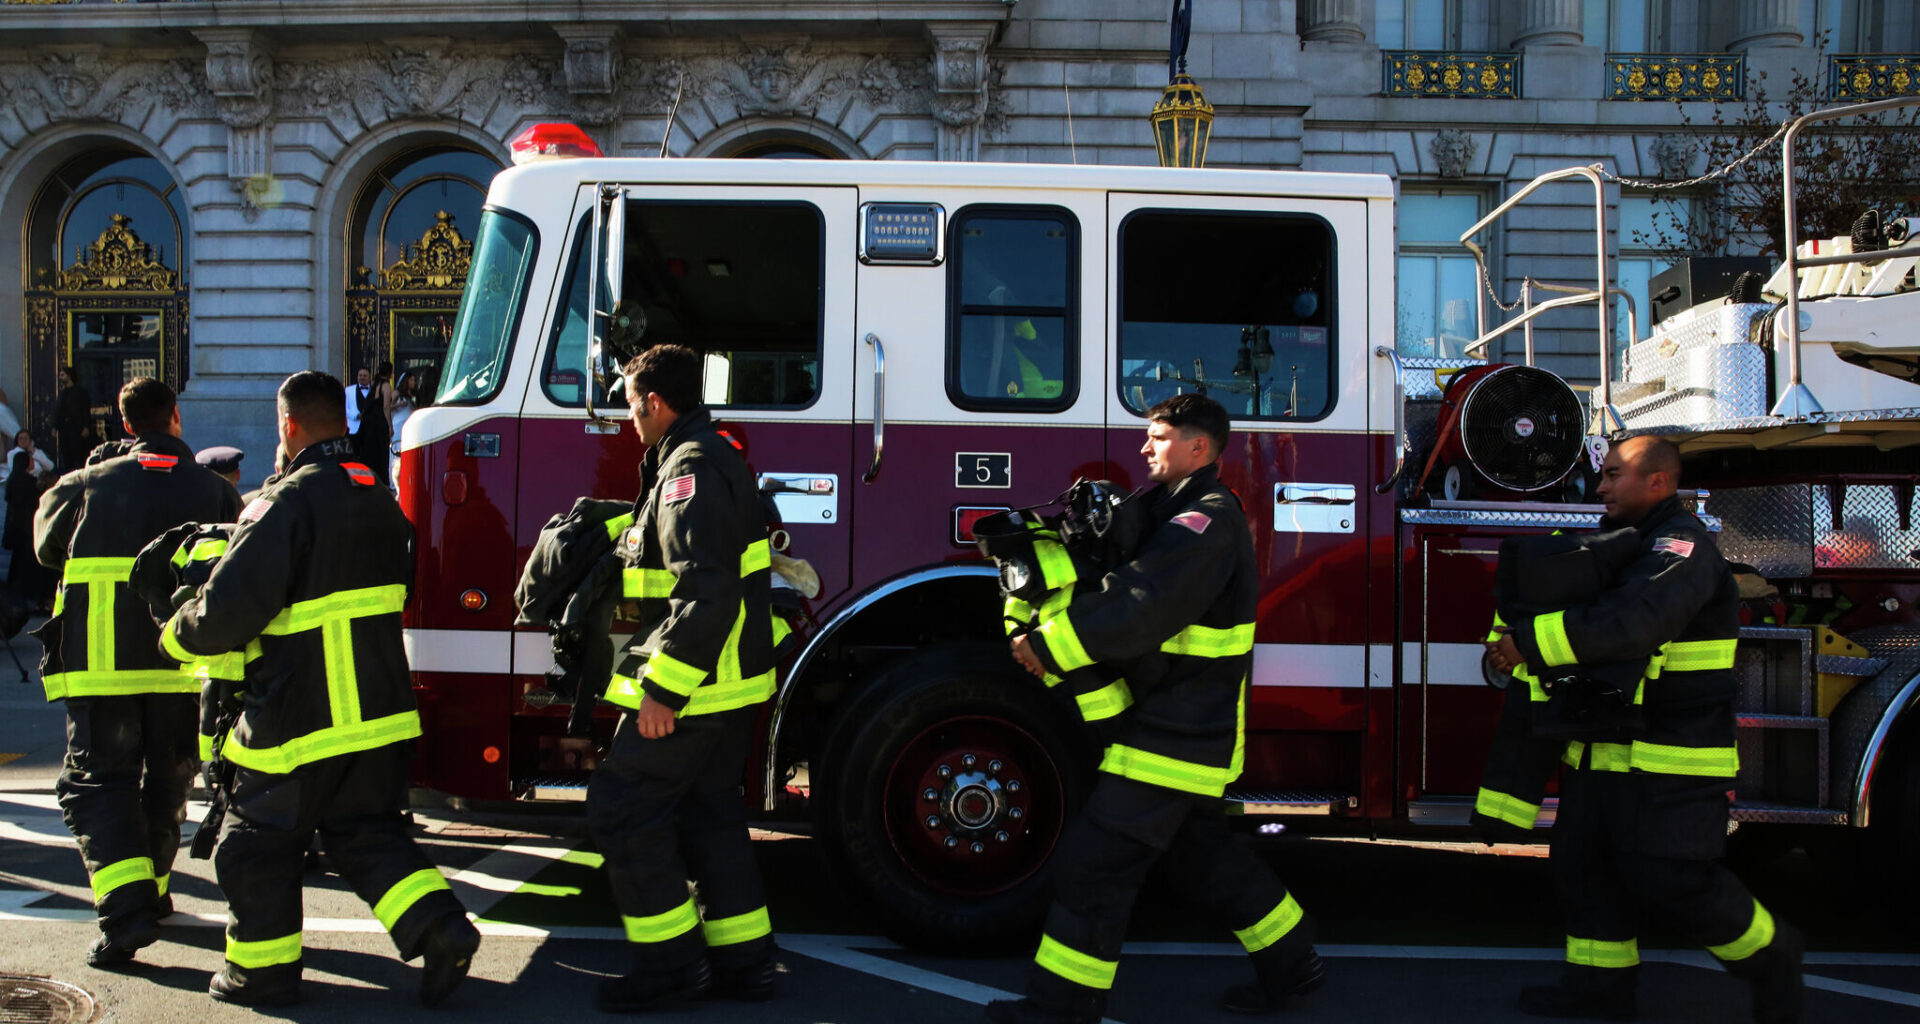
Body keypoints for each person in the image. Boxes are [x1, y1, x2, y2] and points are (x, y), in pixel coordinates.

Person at [990, 394, 1323, 1024]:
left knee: (1096, 866)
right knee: (1203, 857)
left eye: (1159, 437)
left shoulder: (1207, 521)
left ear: (1199, 447)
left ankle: (1060, 1007)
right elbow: (1117, 560)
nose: (1145, 447)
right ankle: (1294, 965)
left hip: (1174, 730)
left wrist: (1048, 645)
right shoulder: (1169, 510)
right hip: (1181, 724)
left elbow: (1139, 603)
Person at [158, 370, 480, 1007]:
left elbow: (229, 609)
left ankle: (261, 975)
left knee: (255, 847)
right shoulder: (378, 498)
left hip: (301, 717)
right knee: (367, 835)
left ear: (287, 426)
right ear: (345, 420)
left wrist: (174, 635)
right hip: (381, 715)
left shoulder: (286, 502)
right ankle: (442, 929)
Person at [1486, 436, 1802, 1023]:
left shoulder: (1682, 550)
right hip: (1603, 753)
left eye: (1612, 475)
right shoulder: (1632, 547)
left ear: (1657, 482)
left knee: (1676, 881)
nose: (1600, 487)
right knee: (1585, 873)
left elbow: (1633, 623)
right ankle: (1597, 990)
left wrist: (1525, 646)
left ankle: (1773, 956)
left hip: (1669, 761)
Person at [586, 343, 780, 1012]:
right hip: (729, 685)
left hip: (696, 689)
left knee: (623, 810)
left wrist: (663, 691)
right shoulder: (709, 457)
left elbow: (705, 591)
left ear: (656, 402)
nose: (626, 418)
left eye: (629, 404)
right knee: (710, 818)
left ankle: (672, 969)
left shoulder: (688, 472)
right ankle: (744, 965)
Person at [29, 379, 241, 967]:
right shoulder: (213, 490)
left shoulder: (84, 484)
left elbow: (46, 551)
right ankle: (153, 892)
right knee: (167, 786)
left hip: (102, 674)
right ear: (174, 417)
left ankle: (126, 914)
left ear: (125, 426)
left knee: (97, 788)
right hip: (181, 669)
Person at [348, 366, 392, 487]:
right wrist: (355, 416)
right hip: (354, 428)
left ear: (369, 377)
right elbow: (345, 408)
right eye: (360, 375)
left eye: (364, 375)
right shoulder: (349, 390)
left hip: (370, 428)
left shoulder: (374, 389)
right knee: (354, 456)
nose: (362, 377)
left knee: (370, 455)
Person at [55, 366, 97, 471]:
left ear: (69, 376)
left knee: (78, 455)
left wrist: (86, 426)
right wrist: (55, 426)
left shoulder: (80, 392)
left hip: (77, 429)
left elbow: (85, 410)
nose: (60, 377)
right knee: (66, 457)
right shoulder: (62, 393)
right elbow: (59, 411)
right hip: (65, 430)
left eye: (62, 375)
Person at [387, 370, 418, 486]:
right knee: (397, 449)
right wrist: (399, 405)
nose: (413, 382)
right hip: (398, 423)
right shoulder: (397, 393)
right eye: (411, 380)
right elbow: (387, 407)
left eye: (414, 380)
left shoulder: (413, 394)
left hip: (408, 422)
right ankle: (393, 480)